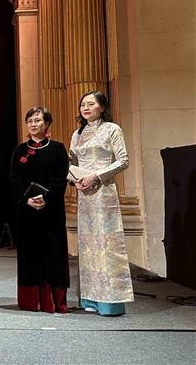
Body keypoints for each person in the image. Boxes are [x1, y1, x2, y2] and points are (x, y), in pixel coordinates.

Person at [69, 91, 133, 316]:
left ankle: (110, 301)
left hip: (103, 192)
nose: (85, 108)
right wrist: (75, 179)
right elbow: (70, 161)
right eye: (82, 105)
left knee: (107, 244)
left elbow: (123, 161)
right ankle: (90, 298)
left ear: (102, 107)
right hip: (84, 195)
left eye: (90, 104)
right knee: (87, 246)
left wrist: (96, 176)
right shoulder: (77, 134)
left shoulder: (112, 129)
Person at [9, 107, 70, 313]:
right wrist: (26, 199)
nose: (33, 124)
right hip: (27, 212)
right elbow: (14, 179)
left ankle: (54, 302)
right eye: (30, 121)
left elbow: (61, 178)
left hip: (51, 211)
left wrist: (46, 198)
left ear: (47, 124)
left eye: (37, 120)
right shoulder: (20, 150)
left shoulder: (58, 148)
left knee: (53, 253)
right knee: (29, 253)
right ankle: (29, 301)